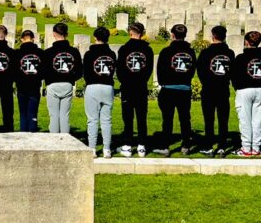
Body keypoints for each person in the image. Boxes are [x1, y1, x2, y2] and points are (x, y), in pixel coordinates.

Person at [153, 24, 196, 156]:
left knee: (167, 119)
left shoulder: (166, 52)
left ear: (172, 35)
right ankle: (186, 145)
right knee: (185, 118)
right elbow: (192, 69)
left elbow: (160, 70)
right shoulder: (191, 52)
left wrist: (164, 83)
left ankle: (165, 146)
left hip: (169, 89)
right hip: (184, 89)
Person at [196, 25, 236, 156]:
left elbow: (200, 71)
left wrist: (206, 82)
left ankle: (208, 145)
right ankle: (222, 146)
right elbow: (231, 72)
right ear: (224, 37)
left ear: (212, 36)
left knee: (209, 119)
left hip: (208, 89)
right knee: (223, 119)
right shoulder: (229, 53)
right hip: (223, 89)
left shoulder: (205, 53)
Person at [116, 22, 154, 156]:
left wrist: (124, 81)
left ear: (130, 32)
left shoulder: (124, 49)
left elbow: (119, 69)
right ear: (142, 34)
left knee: (127, 116)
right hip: (141, 86)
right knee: (141, 116)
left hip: (127, 86)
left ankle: (127, 145)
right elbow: (148, 69)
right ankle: (141, 146)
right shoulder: (148, 50)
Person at [232, 30, 261, 156]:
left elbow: (234, 76)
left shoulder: (240, 58)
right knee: (257, 120)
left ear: (246, 42)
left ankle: (246, 148)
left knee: (245, 120)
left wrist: (237, 87)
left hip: (244, 90)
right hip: (259, 89)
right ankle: (256, 148)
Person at [83, 27, 117, 158]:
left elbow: (85, 72)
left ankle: (92, 148)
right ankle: (107, 149)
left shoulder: (88, 54)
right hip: (107, 86)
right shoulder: (112, 54)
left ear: (95, 37)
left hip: (92, 86)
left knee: (92, 120)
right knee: (106, 120)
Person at [44, 23, 81, 136]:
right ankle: (66, 141)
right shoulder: (74, 52)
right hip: (67, 84)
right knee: (65, 115)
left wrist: (50, 79)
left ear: (54, 34)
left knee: (54, 115)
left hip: (53, 85)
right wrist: (70, 78)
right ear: (67, 34)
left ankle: (55, 142)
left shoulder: (48, 52)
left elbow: (43, 70)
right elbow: (79, 70)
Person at [14, 30, 45, 132]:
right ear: (33, 39)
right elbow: (43, 71)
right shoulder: (40, 53)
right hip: (35, 86)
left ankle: (23, 135)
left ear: (22, 39)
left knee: (23, 114)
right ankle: (33, 134)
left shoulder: (17, 53)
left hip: (21, 87)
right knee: (33, 113)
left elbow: (13, 71)